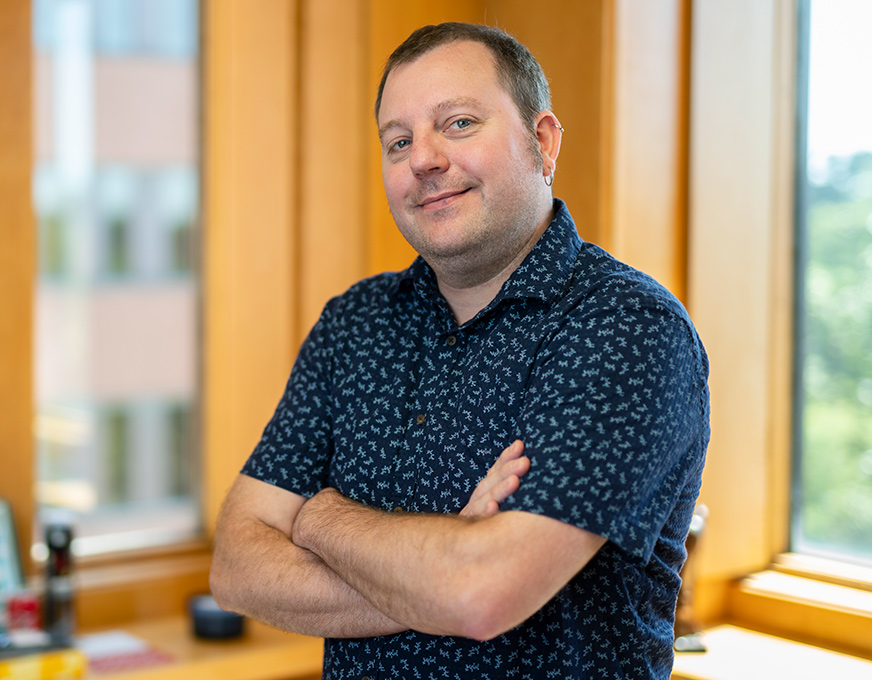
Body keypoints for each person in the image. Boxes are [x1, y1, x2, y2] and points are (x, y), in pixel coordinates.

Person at [210, 21, 710, 680]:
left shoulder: (626, 328)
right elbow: (236, 567)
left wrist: (320, 515)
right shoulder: (354, 323)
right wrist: (438, 565)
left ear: (543, 141)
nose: (423, 159)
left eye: (459, 123)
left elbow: (479, 595)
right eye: (398, 141)